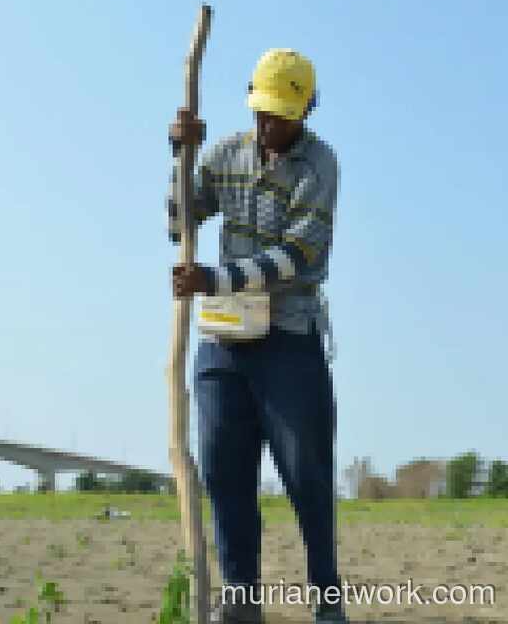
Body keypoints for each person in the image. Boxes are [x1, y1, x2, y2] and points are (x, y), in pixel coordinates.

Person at [168, 48, 346, 624]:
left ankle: (326, 598)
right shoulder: (224, 155)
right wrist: (181, 156)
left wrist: (215, 278)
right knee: (224, 468)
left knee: (306, 471)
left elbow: (296, 255)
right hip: (222, 342)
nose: (269, 127)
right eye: (263, 113)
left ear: (307, 110)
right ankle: (241, 601)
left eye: (282, 116)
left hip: (289, 339)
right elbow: (179, 224)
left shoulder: (320, 166)